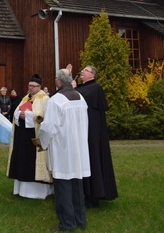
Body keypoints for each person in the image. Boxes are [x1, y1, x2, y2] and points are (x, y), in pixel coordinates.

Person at [39, 69, 90, 232]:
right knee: (77, 185)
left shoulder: (56, 100)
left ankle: (67, 224)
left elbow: (48, 127)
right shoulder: (81, 98)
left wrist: (42, 143)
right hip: (79, 148)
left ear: (59, 81)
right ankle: (80, 220)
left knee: (63, 187)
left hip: (63, 149)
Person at [75, 64, 118, 207]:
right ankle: (84, 192)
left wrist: (73, 88)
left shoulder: (95, 88)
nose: (82, 72)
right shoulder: (82, 88)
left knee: (94, 158)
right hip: (84, 130)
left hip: (93, 132)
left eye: (85, 71)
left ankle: (95, 195)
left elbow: (82, 97)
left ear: (92, 75)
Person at [7, 74, 53, 199]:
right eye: (29, 86)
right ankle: (21, 189)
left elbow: (43, 117)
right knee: (22, 159)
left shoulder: (44, 99)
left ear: (40, 86)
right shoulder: (25, 98)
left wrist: (27, 115)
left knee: (33, 161)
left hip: (35, 136)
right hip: (22, 135)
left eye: (33, 86)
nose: (31, 88)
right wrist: (18, 115)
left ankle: (37, 191)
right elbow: (16, 111)